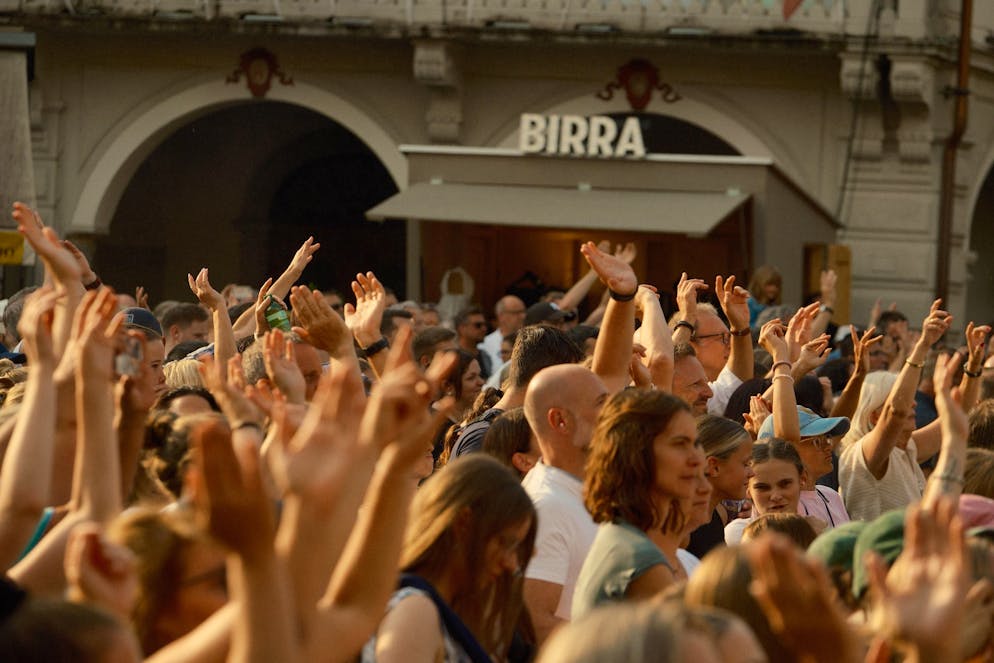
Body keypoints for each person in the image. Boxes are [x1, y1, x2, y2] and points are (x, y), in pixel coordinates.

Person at [361, 454, 536, 663]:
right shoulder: (416, 611)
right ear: (463, 524)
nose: (511, 563)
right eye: (504, 543)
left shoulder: (445, 606)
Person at [572, 390, 703, 619]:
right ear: (637, 452)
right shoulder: (641, 559)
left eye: (695, 444)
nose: (696, 459)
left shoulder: (624, 537)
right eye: (679, 444)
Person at [838, 301, 950, 521]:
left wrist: (973, 372)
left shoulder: (904, 448)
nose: (913, 404)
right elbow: (896, 412)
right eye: (905, 399)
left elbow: (951, 422)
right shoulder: (862, 455)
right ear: (874, 415)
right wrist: (923, 345)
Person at [521, 364, 607, 644]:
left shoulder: (584, 490)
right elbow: (536, 622)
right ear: (560, 421)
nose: (614, 413)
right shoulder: (546, 507)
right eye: (602, 403)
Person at [687, 415, 754, 559]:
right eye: (745, 464)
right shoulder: (682, 527)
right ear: (714, 467)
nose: (752, 473)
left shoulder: (717, 516)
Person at [725, 440, 811, 544]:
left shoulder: (819, 526)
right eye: (762, 488)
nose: (776, 496)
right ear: (747, 488)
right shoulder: (736, 535)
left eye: (785, 484)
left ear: (802, 479)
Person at [479, 295, 526, 372]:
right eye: (516, 312)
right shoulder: (485, 345)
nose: (523, 316)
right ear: (501, 316)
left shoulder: (530, 340)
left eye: (523, 312)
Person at [453, 306, 493, 380]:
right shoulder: (453, 357)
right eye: (478, 325)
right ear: (462, 328)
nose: (484, 329)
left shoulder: (485, 356)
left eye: (485, 325)